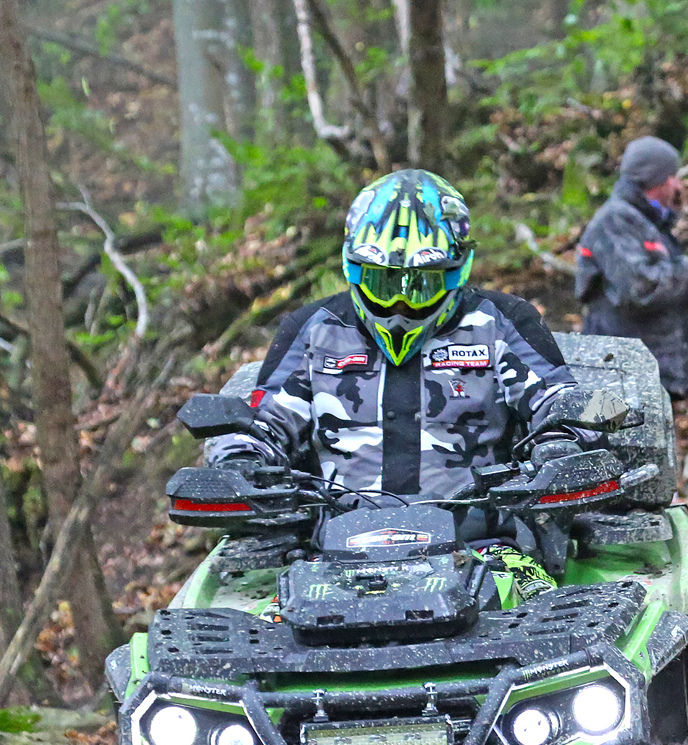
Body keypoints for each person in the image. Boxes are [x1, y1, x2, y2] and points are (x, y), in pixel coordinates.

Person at [206, 169, 584, 599]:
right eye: (383, 282)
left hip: (486, 549)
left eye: (421, 284)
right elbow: (261, 422)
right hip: (330, 557)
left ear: (456, 270)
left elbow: (566, 402)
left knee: (551, 617)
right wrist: (238, 460)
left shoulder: (502, 321)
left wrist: (560, 446)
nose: (401, 302)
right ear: (354, 268)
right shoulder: (313, 329)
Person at [575, 136, 688, 399]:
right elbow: (640, 289)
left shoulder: (653, 226)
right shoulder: (615, 221)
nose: (678, 185)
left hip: (652, 380)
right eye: (673, 176)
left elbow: (674, 304)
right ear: (658, 179)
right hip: (617, 381)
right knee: (608, 428)